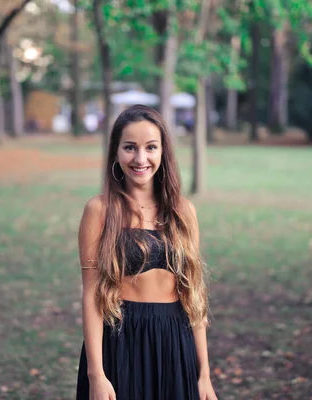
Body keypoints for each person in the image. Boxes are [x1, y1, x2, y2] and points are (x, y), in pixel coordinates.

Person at [76, 105, 218, 400]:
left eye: (150, 147)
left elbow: (193, 296)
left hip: (175, 341)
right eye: (130, 147)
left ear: (163, 152)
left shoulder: (183, 212)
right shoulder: (100, 210)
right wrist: (96, 375)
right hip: (121, 341)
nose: (140, 158)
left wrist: (204, 374)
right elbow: (91, 294)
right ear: (115, 152)